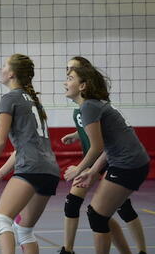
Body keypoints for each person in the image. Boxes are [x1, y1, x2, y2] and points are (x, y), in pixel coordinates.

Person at [0, 54, 60, 254]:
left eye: (4, 66)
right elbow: (25, 146)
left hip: (31, 167)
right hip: (50, 170)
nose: (1, 69)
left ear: (11, 73)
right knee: (24, 230)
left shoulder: (9, 99)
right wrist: (0, 173)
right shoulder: (34, 102)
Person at [58, 57, 145, 254]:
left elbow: (107, 138)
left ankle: (141, 251)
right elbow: (93, 130)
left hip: (110, 158)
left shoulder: (94, 104)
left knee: (118, 210)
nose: (67, 75)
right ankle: (67, 249)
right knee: (77, 204)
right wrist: (75, 135)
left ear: (84, 80)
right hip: (99, 158)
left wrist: (80, 168)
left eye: (72, 71)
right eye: (68, 70)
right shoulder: (83, 107)